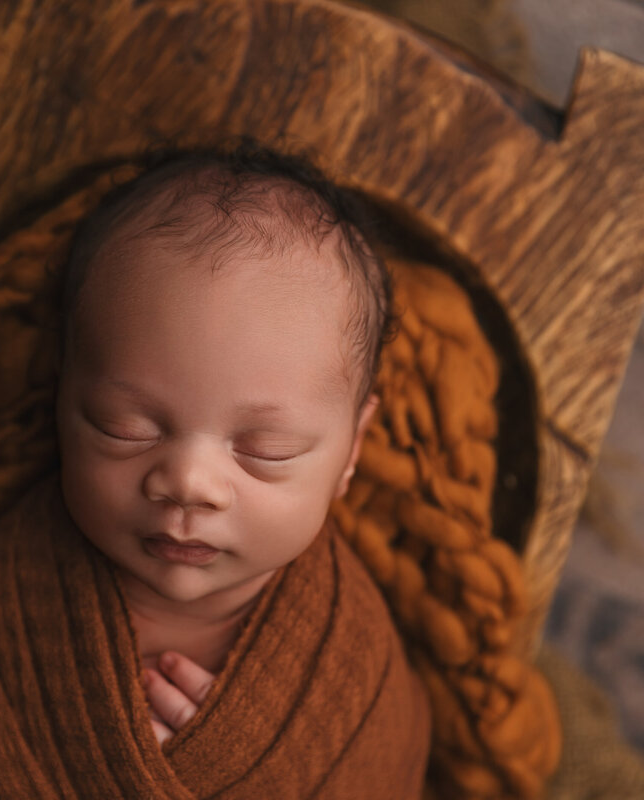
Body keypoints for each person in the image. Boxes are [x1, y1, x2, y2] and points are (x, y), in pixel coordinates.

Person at [53, 143, 405, 745]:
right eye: (125, 427)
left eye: (267, 449)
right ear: (58, 400)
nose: (190, 483)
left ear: (351, 453)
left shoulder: (354, 661)